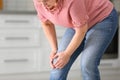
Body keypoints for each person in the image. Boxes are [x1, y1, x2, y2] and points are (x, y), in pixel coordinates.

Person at [33, 0, 118, 80]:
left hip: (102, 19)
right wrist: (54, 49)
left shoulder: (72, 1)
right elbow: (47, 23)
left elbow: (81, 31)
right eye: (40, 1)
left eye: (46, 0)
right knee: (58, 63)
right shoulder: (39, 2)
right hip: (77, 23)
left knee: (87, 64)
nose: (43, 5)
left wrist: (67, 54)